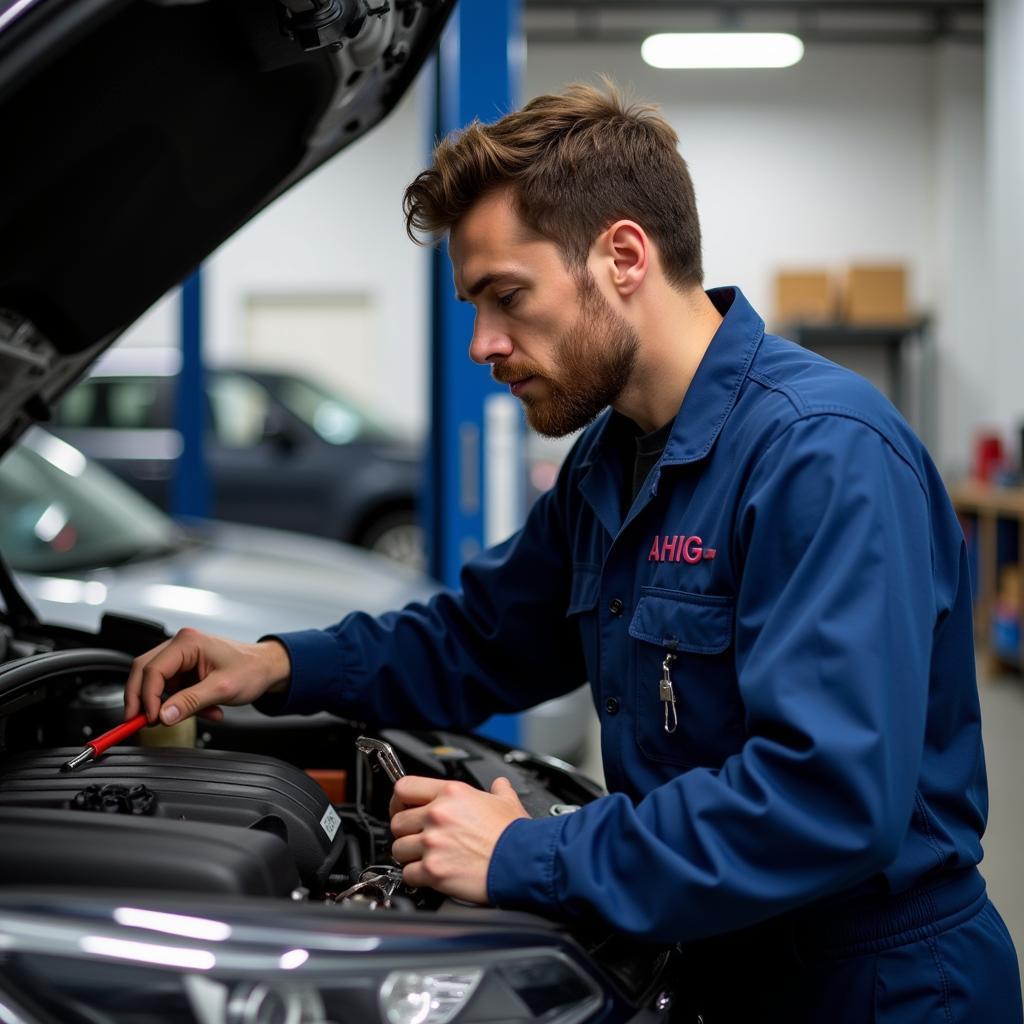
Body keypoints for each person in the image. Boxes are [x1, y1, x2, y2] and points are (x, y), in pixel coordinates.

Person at [124, 83, 1021, 1021]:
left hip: (877, 988)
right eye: (474, 305)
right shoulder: (613, 459)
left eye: (506, 297)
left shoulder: (821, 455)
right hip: (719, 958)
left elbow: (825, 800)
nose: (482, 344)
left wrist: (525, 855)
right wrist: (273, 664)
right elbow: (479, 637)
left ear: (624, 256)